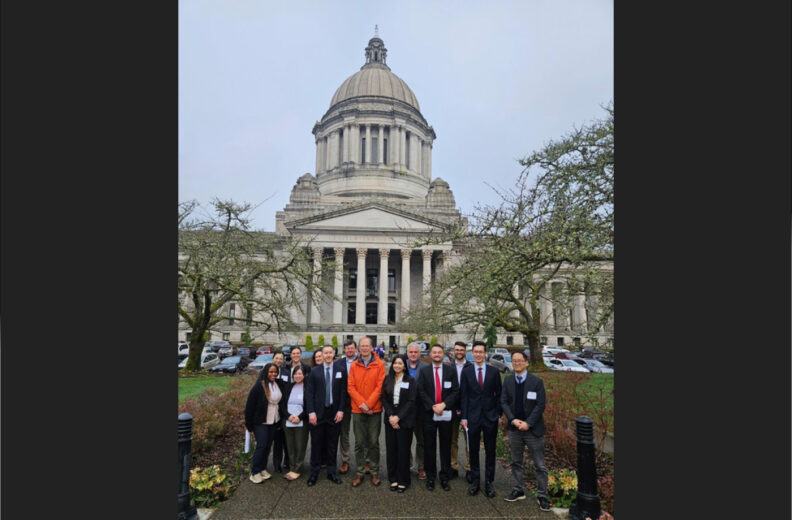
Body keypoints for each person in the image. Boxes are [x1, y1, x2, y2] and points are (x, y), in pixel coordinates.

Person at [500, 350, 549, 511]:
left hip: (532, 430)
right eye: (514, 361)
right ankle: (518, 489)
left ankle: (542, 495)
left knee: (540, 465)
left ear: (526, 362)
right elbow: (504, 402)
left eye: (520, 361)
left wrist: (528, 423)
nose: (517, 364)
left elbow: (540, 405)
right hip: (515, 429)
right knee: (515, 462)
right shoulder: (507, 381)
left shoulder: (536, 382)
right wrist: (513, 419)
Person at [460, 340, 502, 498]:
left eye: (480, 352)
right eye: (475, 352)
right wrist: (464, 417)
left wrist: (498, 414)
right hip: (472, 417)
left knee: (490, 451)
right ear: (472, 353)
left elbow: (499, 395)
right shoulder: (467, 372)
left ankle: (489, 482)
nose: (478, 354)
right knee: (474, 450)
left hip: (490, 417)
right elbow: (464, 396)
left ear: (485, 353)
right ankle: (476, 481)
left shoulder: (494, 372)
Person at [416, 344, 459, 492]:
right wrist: (433, 406)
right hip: (429, 414)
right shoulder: (424, 371)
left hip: (445, 414)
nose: (437, 355)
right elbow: (420, 390)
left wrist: (444, 404)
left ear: (443, 354)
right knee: (429, 446)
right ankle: (430, 476)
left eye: (439, 352)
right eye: (434, 352)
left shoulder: (450, 371)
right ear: (430, 354)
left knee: (445, 447)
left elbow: (455, 391)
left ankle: (445, 477)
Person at [304, 345, 346, 486]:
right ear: (322, 355)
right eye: (325, 353)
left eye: (330, 353)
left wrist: (341, 410)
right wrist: (311, 412)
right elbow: (309, 394)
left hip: (334, 414)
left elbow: (343, 393)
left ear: (334, 354)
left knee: (332, 444)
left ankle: (331, 472)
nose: (328, 355)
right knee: (316, 444)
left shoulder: (341, 371)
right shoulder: (314, 372)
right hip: (318, 414)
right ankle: (314, 473)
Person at [348, 336, 386, 487]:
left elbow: (380, 386)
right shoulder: (353, 366)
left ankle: (375, 472)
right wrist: (362, 404)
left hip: (374, 410)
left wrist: (369, 404)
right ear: (359, 348)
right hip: (358, 410)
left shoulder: (380, 365)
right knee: (358, 443)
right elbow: (351, 387)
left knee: (373, 442)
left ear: (372, 348)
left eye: (367, 346)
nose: (364, 348)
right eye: (362, 346)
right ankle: (359, 472)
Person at [244, 363, 285, 484]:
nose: (273, 374)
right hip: (261, 421)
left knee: (268, 446)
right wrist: (249, 424)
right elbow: (250, 406)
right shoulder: (259, 386)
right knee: (261, 445)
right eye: (271, 372)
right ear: (266, 372)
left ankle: (262, 468)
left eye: (275, 372)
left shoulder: (277, 384)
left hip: (274, 421)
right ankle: (254, 472)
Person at [381, 355, 417, 493]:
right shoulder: (388, 379)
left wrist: (398, 418)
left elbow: (411, 401)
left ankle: (404, 480)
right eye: (395, 363)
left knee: (403, 451)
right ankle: (393, 478)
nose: (397, 365)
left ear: (404, 366)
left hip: (405, 419)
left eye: (400, 363)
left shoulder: (410, 380)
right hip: (390, 418)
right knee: (391, 450)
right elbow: (384, 398)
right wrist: (391, 416)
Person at [279, 365, 309, 480]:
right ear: (293, 375)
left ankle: (297, 469)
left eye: (300, 374)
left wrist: (300, 417)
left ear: (304, 375)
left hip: (302, 421)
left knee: (300, 445)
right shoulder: (288, 387)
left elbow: (310, 405)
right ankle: (292, 467)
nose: (298, 376)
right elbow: (282, 404)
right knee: (290, 445)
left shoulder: (308, 387)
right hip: (288, 420)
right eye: (296, 374)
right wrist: (288, 416)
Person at [333, 339, 358, 474]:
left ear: (355, 349)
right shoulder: (338, 364)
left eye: (352, 348)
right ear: (344, 350)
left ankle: (365, 461)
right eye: (347, 348)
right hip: (344, 402)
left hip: (360, 402)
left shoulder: (362, 362)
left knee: (361, 433)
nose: (349, 350)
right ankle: (345, 460)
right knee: (344, 433)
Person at [405, 342, 429, 480]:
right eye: (411, 352)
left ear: (419, 354)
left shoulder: (425, 367)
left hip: (420, 411)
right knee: (406, 440)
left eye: (416, 352)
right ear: (408, 353)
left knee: (421, 440)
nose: (413, 354)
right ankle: (407, 464)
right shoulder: (401, 365)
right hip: (405, 412)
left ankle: (421, 466)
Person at [449, 341, 472, 481]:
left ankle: (470, 467)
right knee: (452, 439)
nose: (459, 352)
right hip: (452, 409)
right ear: (453, 351)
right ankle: (453, 466)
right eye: (457, 349)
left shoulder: (470, 367)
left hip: (467, 409)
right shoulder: (449, 367)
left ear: (465, 351)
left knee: (469, 439)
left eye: (461, 350)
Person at [270, 349, 287, 472]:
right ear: (273, 359)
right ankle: (276, 464)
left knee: (285, 439)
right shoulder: (268, 372)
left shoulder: (286, 372)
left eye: (281, 358)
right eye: (277, 358)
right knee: (276, 441)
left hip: (284, 410)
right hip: (272, 411)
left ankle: (288, 462)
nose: (279, 360)